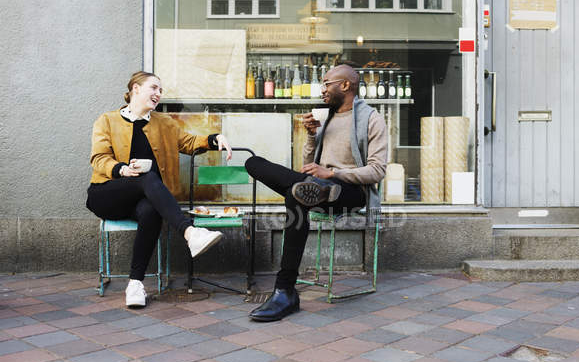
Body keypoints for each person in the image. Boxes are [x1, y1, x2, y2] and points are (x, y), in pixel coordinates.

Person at [245, 64, 387, 321]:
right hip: (317, 187)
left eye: (326, 83)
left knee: (298, 193)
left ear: (345, 85)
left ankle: (285, 291)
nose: (322, 89)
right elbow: (308, 165)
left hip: (350, 192)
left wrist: (333, 174)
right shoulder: (326, 118)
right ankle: (285, 290)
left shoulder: (372, 118)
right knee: (254, 164)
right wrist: (311, 136)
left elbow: (377, 170)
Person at [86, 71, 232, 308]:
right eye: (153, 88)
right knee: (148, 178)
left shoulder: (165, 123)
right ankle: (189, 232)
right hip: (107, 193)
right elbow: (99, 158)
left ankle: (135, 284)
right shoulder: (107, 120)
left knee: (151, 209)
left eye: (161, 91)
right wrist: (122, 170)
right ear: (135, 89)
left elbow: (189, 142)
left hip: (143, 198)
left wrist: (215, 139)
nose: (158, 94)